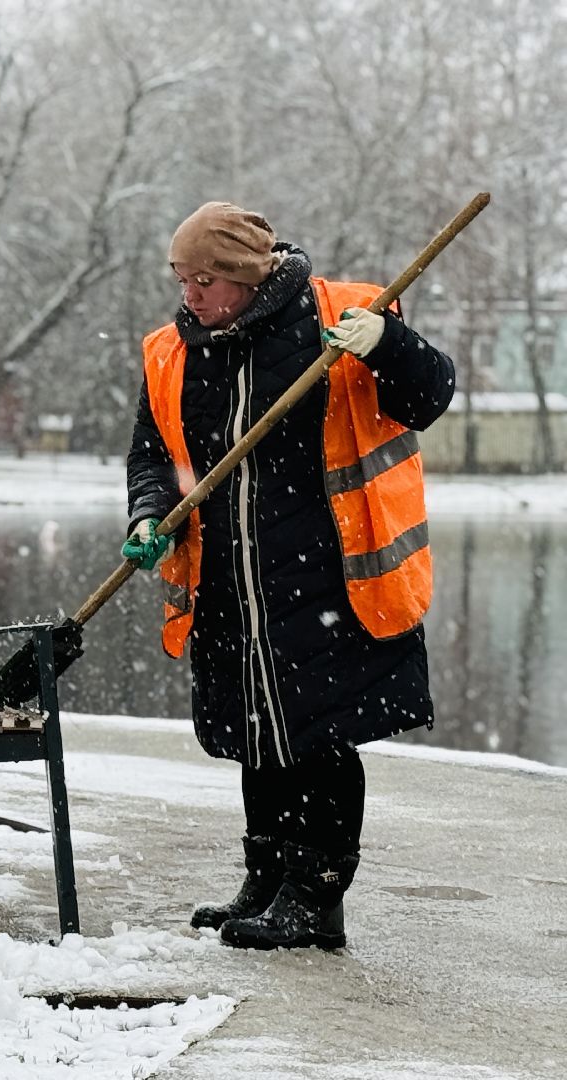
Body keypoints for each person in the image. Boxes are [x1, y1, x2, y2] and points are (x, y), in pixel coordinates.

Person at [122, 201, 455, 950]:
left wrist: (388, 344)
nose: (190, 295)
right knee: (255, 733)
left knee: (316, 739)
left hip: (331, 578)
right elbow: (152, 454)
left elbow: (429, 395)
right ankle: (267, 878)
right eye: (182, 278)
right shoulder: (172, 353)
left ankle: (316, 898)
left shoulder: (344, 317)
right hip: (229, 581)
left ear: (244, 277)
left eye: (204, 279)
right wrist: (149, 517)